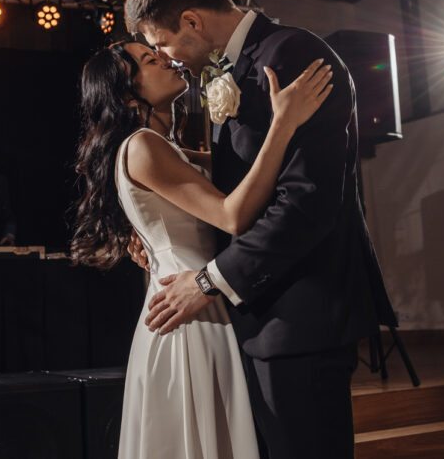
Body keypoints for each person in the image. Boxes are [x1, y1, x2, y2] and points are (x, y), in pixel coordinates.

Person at [126, 0, 395, 459]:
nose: (166, 57)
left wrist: (208, 280)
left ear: (191, 20)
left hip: (301, 317)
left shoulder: (292, 55)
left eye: (162, 42)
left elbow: (305, 202)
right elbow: (232, 189)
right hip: (254, 318)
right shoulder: (228, 70)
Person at [71, 40, 333, 458]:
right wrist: (283, 123)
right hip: (191, 312)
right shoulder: (142, 145)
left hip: (197, 300)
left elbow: (237, 173)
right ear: (128, 95)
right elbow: (232, 215)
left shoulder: (163, 145)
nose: (165, 59)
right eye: (149, 60)